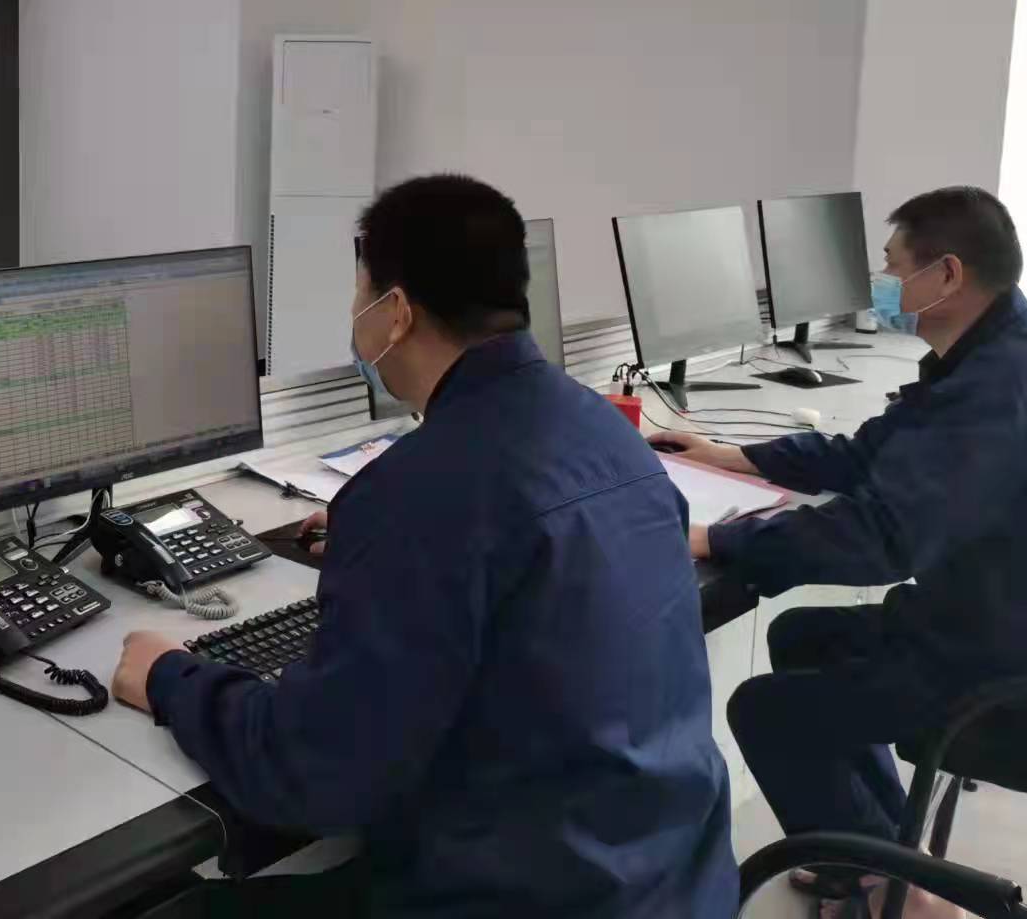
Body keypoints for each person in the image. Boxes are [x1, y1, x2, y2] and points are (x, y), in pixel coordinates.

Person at [111, 175, 737, 918]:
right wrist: (388, 544)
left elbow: (313, 776)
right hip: (674, 880)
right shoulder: (605, 430)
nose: (356, 314)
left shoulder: (420, 494)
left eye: (360, 293)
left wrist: (172, 679)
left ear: (397, 311)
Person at [654, 186, 1027, 915]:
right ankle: (881, 854)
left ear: (948, 274)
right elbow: (869, 454)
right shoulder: (997, 353)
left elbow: (882, 537)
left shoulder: (999, 386)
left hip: (1014, 669)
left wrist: (716, 538)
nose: (883, 283)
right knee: (801, 637)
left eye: (893, 266)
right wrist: (732, 456)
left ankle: (910, 898)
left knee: (767, 711)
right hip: (995, 621)